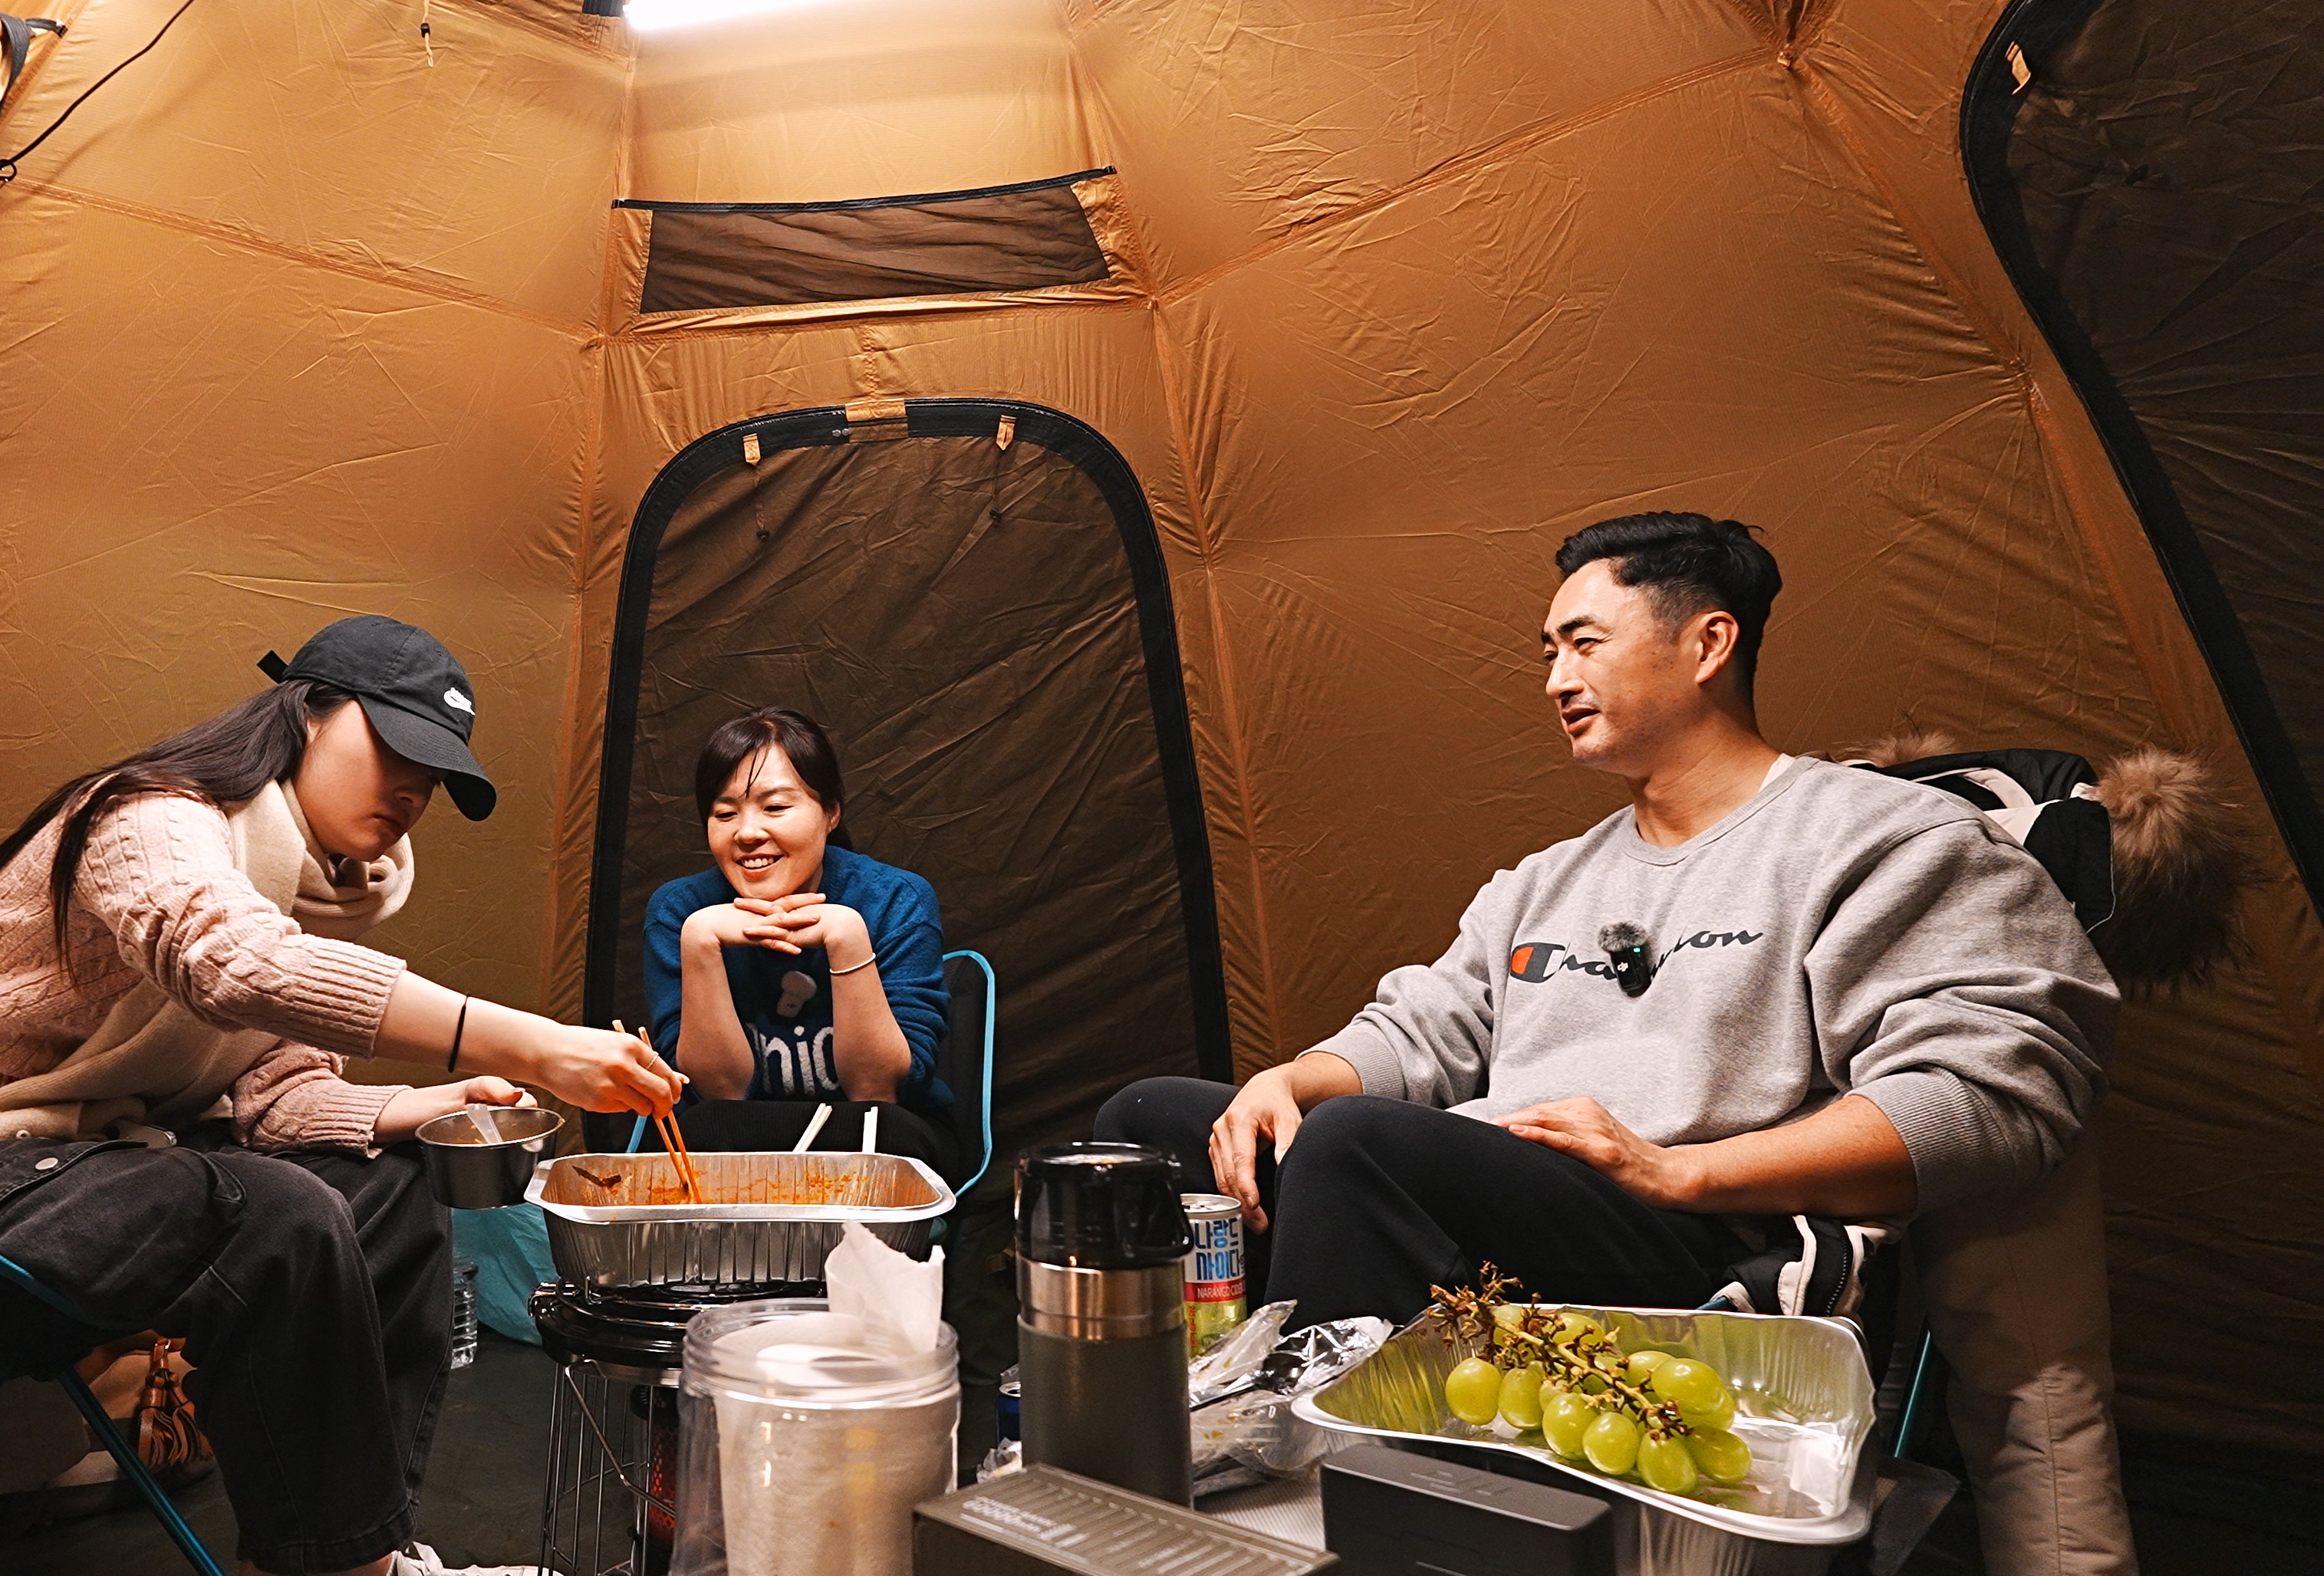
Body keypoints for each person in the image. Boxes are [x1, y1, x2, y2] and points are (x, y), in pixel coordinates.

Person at [0, 615, 683, 1576]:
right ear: (307, 715)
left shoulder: (320, 890)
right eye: (395, 748)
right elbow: (226, 962)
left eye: (434, 776)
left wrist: (412, 1107)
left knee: (399, 1188)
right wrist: (528, 1040)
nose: (413, 790)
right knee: (275, 1211)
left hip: (72, 1173)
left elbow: (273, 1096)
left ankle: (305, 1569)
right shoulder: (148, 815)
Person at [1097, 512, 2118, 1332]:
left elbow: (1992, 1096)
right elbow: (1424, 1032)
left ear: (1708, 643)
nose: (1555, 680)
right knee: (1151, 1124)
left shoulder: (1886, 838)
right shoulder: (1547, 880)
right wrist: (1290, 1081)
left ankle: (1320, 1471)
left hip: (1697, 1228)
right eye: (1548, 652)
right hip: (1507, 1189)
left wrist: (1681, 1171)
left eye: (1585, 644)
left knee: (1354, 1145)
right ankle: (1181, 1419)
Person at [641, 706, 956, 1173]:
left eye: (775, 807)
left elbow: (877, 1091)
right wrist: (701, 944)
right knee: (701, 1128)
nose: (748, 833)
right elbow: (718, 1094)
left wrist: (848, 939)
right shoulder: (680, 910)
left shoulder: (895, 899)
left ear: (831, 813)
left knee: (890, 1131)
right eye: (725, 813)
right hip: (731, 1141)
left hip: (877, 1138)